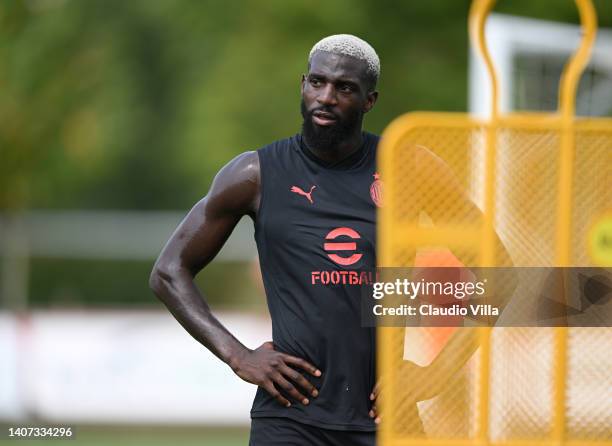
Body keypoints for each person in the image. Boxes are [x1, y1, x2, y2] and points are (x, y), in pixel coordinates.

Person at [149, 34, 382, 445]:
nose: (326, 97)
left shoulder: (406, 167)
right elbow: (169, 272)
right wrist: (238, 356)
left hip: (386, 419)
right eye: (317, 82)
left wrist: (431, 372)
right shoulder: (254, 174)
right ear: (303, 84)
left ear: (369, 101)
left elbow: (494, 274)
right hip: (289, 419)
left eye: (344, 88)